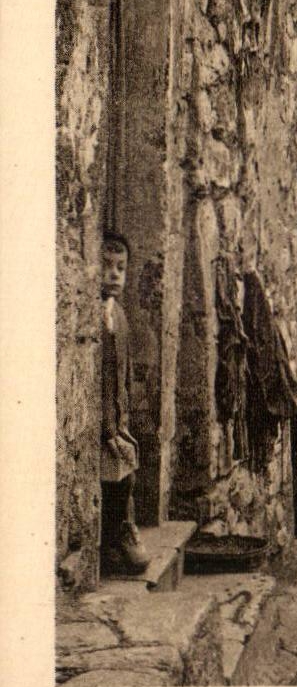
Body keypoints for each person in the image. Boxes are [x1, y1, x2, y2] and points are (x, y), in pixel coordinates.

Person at [100, 232, 150, 576]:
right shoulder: (95, 317)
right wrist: (107, 429)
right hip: (99, 424)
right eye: (106, 266)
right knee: (115, 474)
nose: (115, 274)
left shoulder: (119, 316)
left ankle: (121, 533)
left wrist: (122, 423)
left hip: (114, 420)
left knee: (127, 472)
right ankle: (113, 540)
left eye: (121, 268)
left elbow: (122, 377)